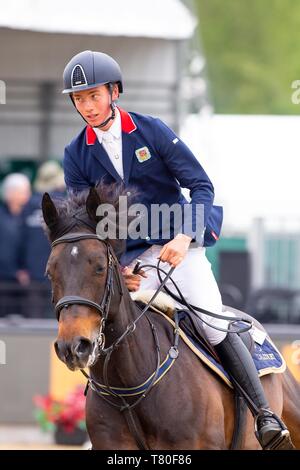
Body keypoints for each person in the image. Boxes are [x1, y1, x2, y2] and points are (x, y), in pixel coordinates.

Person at [61, 50, 291, 449]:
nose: (87, 106)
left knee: (214, 323)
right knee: (109, 328)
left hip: (178, 249)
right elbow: (91, 227)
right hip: (130, 261)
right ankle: (109, 425)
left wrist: (183, 237)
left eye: (93, 95)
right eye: (79, 99)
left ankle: (264, 414)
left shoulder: (152, 131)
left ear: (113, 92)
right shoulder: (76, 154)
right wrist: (119, 269)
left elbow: (201, 187)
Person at [0, 173, 31, 316]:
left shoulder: (27, 216)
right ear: (11, 193)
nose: (29, 195)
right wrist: (15, 272)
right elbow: (5, 250)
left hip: (24, 282)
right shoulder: (3, 219)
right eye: (25, 192)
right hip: (6, 281)